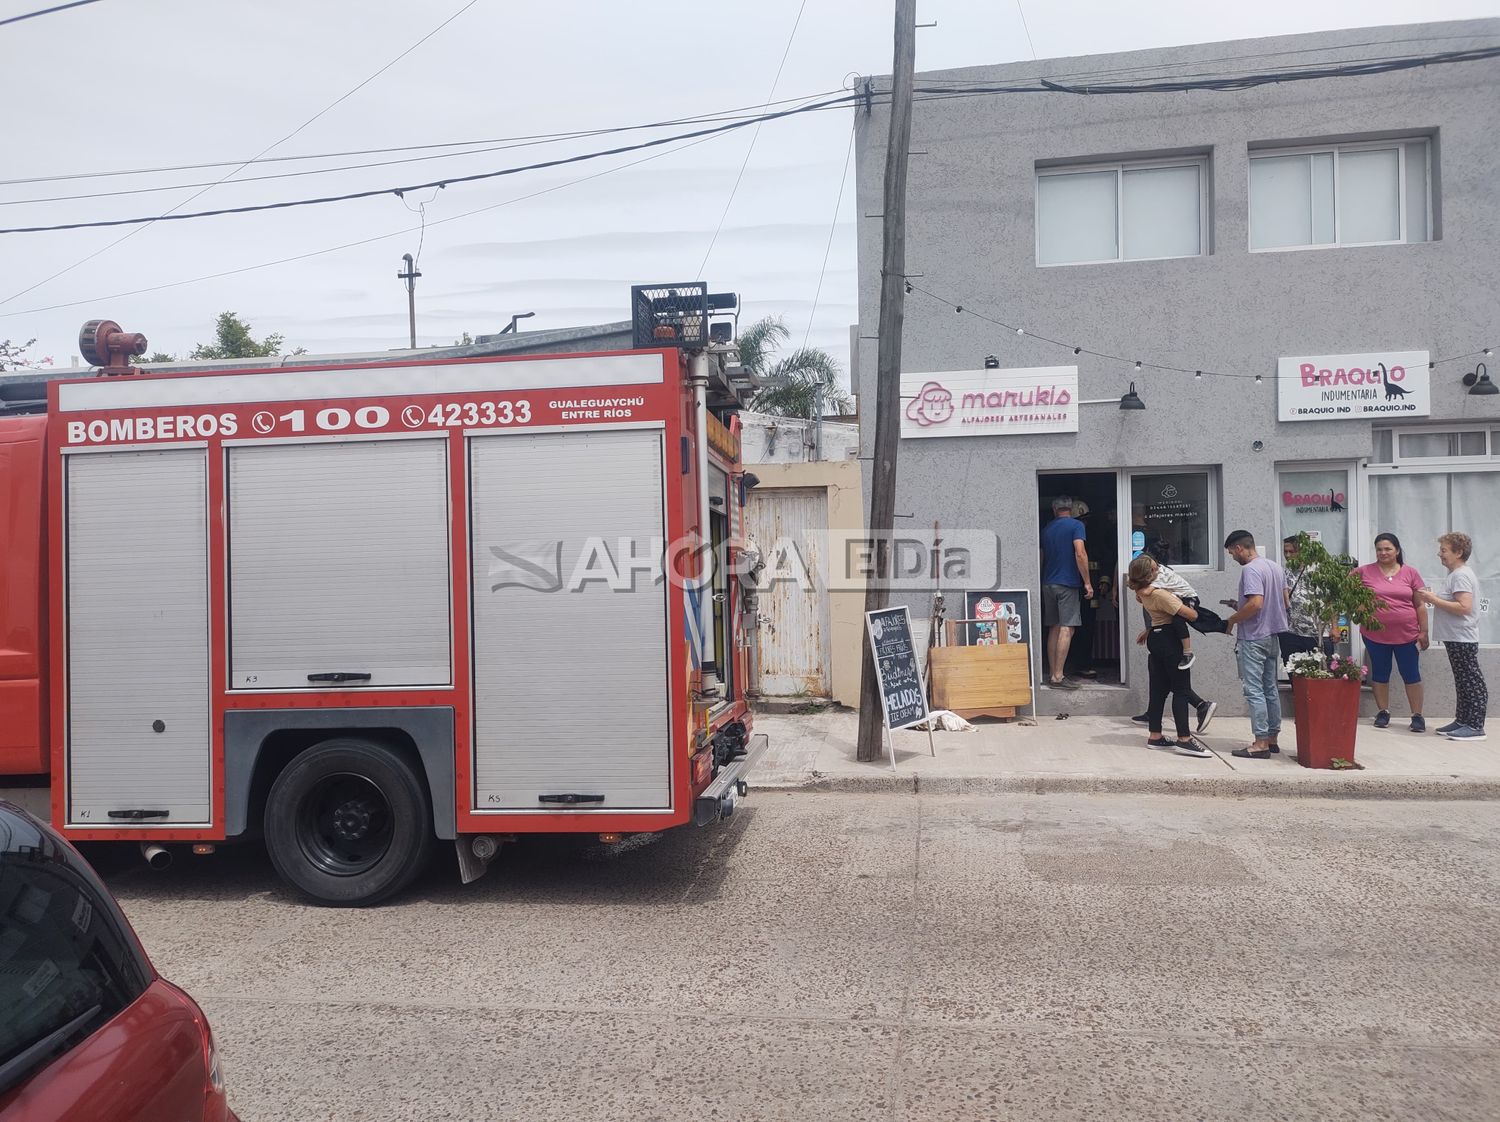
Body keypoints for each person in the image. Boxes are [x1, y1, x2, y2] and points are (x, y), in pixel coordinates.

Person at [1126, 556, 1213, 757]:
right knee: (1181, 690)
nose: (1159, 572)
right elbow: (1191, 615)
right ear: (1149, 574)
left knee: (1158, 690)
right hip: (1170, 640)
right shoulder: (1161, 595)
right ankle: (1184, 739)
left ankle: (1155, 736)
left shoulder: (1141, 593)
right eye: (1156, 570)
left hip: (1155, 638)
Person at [1223, 530, 1289, 759]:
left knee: (1254, 690)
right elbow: (1284, 600)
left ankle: (1260, 742)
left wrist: (1232, 620)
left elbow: (1256, 604)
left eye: (1232, 553)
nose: (1233, 557)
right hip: (1273, 635)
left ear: (1240, 548)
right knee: (1270, 688)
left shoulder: (1250, 569)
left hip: (1253, 637)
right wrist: (1238, 605)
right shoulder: (1274, 566)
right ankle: (1272, 738)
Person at [1416, 532, 1488, 741]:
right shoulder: (1455, 574)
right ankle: (1462, 720)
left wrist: (1432, 599)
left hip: (1462, 637)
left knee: (1471, 680)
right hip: (1456, 637)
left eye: (1444, 550)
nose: (1440, 554)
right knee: (1462, 680)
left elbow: (1464, 607)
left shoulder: (1461, 575)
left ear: (1458, 552)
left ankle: (1475, 726)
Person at [1355, 532, 1428, 732]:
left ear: (1397, 550)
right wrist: (1361, 609)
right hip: (1375, 634)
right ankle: (1383, 712)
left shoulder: (1410, 572)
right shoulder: (1364, 572)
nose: (1383, 552)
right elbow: (1346, 594)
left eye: (1387, 549)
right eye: (1379, 549)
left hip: (1407, 634)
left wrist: (1424, 631)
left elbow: (1420, 604)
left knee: (1411, 673)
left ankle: (1417, 716)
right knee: (1380, 673)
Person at [1040, 495, 1092, 690]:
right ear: (1071, 509)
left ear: (1055, 510)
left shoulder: (1046, 529)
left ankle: (1053, 674)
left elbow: (1042, 556)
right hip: (1067, 582)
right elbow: (1080, 553)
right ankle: (1059, 676)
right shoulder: (1076, 526)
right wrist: (1087, 582)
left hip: (1048, 582)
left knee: (1054, 626)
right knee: (1067, 627)